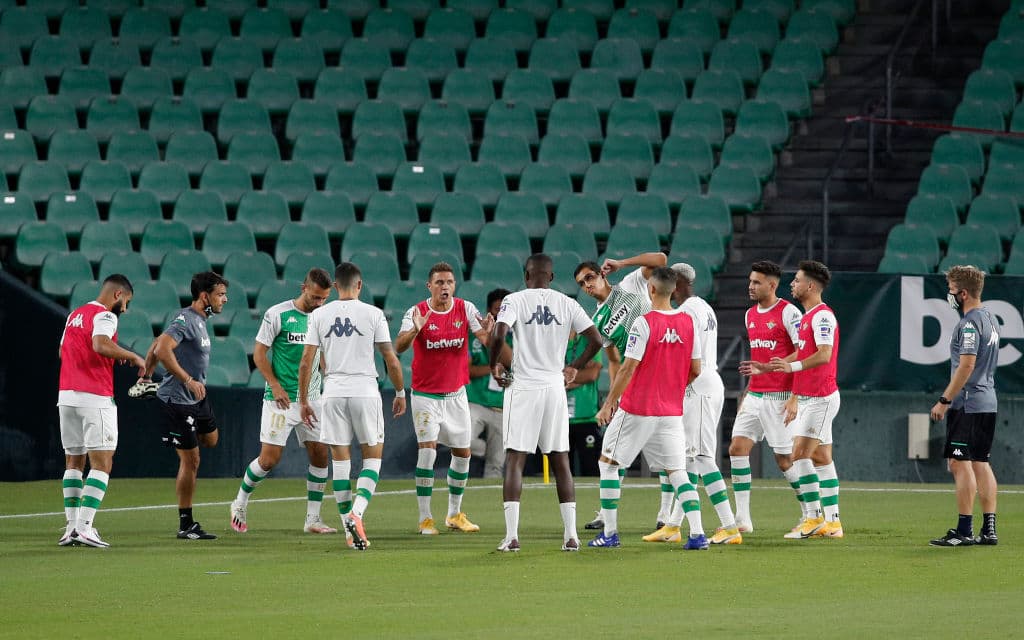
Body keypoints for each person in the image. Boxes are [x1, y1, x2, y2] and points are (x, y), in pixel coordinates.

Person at [489, 254, 603, 552]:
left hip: (523, 386)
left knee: (516, 459)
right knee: (561, 461)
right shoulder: (567, 303)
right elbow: (596, 340)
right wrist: (574, 366)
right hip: (554, 387)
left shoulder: (514, 300)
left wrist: (494, 366)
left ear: (526, 275)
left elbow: (499, 333)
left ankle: (512, 536)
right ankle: (571, 536)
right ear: (551, 277)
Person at [587, 267, 707, 549]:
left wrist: (608, 404)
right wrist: (672, 388)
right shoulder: (689, 323)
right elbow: (696, 370)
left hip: (638, 407)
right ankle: (698, 534)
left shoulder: (644, 323)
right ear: (673, 289)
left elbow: (628, 368)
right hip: (670, 412)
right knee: (677, 472)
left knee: (608, 464)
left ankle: (610, 534)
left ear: (651, 290)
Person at [298, 262, 406, 551]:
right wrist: (400, 392)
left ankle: (349, 528)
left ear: (335, 286)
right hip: (365, 391)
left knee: (341, 463)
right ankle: (356, 514)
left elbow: (307, 361)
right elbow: (391, 359)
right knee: (372, 460)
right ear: (360, 285)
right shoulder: (373, 314)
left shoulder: (319, 315)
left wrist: (305, 400)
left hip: (333, 392)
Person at [574, 252, 678, 529]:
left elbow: (661, 259)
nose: (587, 285)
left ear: (602, 275)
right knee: (619, 454)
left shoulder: (631, 284)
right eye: (582, 283)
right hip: (637, 381)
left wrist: (621, 263)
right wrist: (615, 396)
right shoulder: (598, 321)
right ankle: (610, 514)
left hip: (661, 372)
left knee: (622, 455)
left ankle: (664, 515)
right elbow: (614, 361)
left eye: (590, 277)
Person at [229, 268, 337, 536]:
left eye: (323, 299)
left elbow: (321, 356)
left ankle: (313, 518)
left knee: (321, 454)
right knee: (269, 459)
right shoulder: (278, 314)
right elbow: (259, 354)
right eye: (315, 297)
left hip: (312, 399)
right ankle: (240, 502)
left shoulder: (323, 317)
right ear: (304, 288)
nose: (318, 303)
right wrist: (275, 385)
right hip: (281, 400)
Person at [742, 260, 843, 539]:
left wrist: (791, 368)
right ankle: (833, 522)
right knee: (822, 457)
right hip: (811, 397)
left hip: (821, 397)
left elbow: (823, 354)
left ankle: (813, 518)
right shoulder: (809, 316)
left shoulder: (822, 316)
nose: (792, 284)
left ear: (810, 286)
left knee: (798, 454)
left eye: (797, 281)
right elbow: (803, 353)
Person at [394, 262, 496, 535]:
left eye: (449, 282)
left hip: (456, 395)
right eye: (439, 282)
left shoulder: (466, 308)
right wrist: (416, 329)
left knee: (462, 453)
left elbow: (486, 340)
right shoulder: (416, 311)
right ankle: (425, 519)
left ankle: (454, 513)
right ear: (430, 286)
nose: (445, 287)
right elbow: (398, 346)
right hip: (426, 396)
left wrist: (490, 332)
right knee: (427, 452)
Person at [644, 263, 741, 545]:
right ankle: (673, 525)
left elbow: (687, 358)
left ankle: (729, 526)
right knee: (687, 458)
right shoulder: (704, 307)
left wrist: (671, 385)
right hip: (706, 382)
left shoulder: (686, 312)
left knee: (700, 458)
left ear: (677, 283)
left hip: (696, 386)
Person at [57, 274, 146, 548]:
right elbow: (99, 344)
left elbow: (64, 351)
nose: (126, 309)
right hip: (95, 397)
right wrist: (132, 355)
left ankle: (71, 527)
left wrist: (108, 355)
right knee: (102, 463)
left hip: (66, 396)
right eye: (127, 302)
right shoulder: (106, 315)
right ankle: (85, 528)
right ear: (118, 294)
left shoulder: (75, 314)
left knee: (73, 462)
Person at [140, 271, 228, 540]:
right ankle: (186, 524)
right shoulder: (185, 320)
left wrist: (145, 373)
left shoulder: (200, 320)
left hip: (196, 398)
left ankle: (184, 437)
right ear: (205, 296)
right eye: (220, 294)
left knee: (211, 439)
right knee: (192, 460)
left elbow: (157, 343)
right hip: (178, 400)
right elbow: (162, 348)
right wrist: (187, 379)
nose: (225, 299)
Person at [929, 265, 1000, 547]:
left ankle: (964, 530)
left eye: (951, 289)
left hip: (968, 403)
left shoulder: (969, 323)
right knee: (981, 462)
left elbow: (967, 364)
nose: (949, 294)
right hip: (987, 401)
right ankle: (989, 528)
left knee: (960, 463)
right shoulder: (990, 319)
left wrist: (945, 400)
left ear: (964, 293)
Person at [730, 261, 803, 532]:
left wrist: (794, 397)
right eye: (750, 281)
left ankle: (810, 511)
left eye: (757, 282)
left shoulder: (789, 312)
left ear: (772, 285)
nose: (751, 286)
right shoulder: (750, 315)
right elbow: (757, 359)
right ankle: (743, 518)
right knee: (737, 449)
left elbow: (804, 353)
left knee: (784, 460)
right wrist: (748, 391)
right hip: (756, 395)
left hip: (780, 395)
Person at [467, 288, 512, 479]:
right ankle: (488, 450)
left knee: (495, 467)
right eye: (497, 309)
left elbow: (514, 365)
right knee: (462, 440)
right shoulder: (474, 337)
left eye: (505, 310)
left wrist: (497, 335)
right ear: (488, 311)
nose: (500, 314)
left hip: (503, 407)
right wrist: (492, 367)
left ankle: (492, 507)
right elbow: (466, 371)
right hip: (475, 403)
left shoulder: (517, 338)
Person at [565, 332, 603, 476]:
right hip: (560, 421)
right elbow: (548, 375)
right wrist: (580, 375)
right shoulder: (552, 339)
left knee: (592, 470)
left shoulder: (590, 341)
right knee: (563, 473)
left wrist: (563, 379)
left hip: (587, 417)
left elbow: (592, 374)